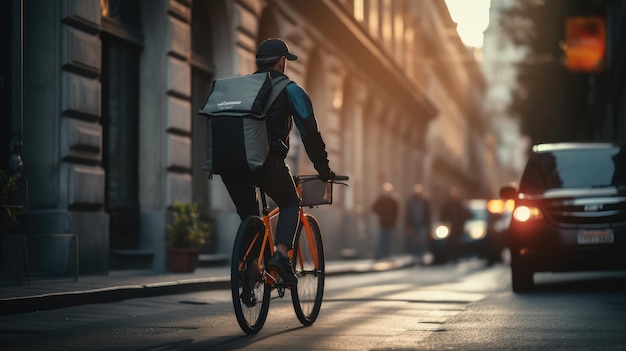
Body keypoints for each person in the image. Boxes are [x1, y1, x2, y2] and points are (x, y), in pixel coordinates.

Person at [219, 38, 335, 284]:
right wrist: (323, 168)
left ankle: (247, 269)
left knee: (249, 216)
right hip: (266, 164)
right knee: (290, 201)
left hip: (230, 166)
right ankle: (281, 257)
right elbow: (310, 134)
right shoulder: (290, 89)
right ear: (282, 62)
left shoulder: (241, 89)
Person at [439, 186, 471, 262]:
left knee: (457, 242)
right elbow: (443, 214)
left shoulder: (459, 203)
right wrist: (443, 221)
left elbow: (464, 214)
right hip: (450, 227)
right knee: (449, 242)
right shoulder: (447, 204)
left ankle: (456, 256)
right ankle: (450, 256)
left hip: (458, 226)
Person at [372, 182, 399, 260]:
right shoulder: (381, 199)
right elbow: (374, 208)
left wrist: (394, 222)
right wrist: (381, 213)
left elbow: (396, 213)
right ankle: (379, 254)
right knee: (382, 238)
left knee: (387, 239)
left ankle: (385, 254)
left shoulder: (393, 201)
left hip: (389, 223)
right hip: (383, 222)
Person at [405, 184, 432, 263]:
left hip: (422, 224)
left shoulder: (424, 202)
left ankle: (420, 255)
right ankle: (414, 255)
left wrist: (428, 226)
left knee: (420, 240)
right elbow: (408, 214)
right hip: (413, 224)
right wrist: (408, 226)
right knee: (413, 241)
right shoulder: (410, 201)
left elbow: (428, 214)